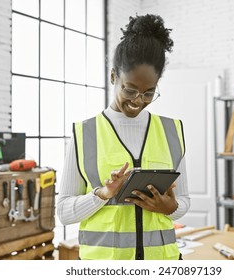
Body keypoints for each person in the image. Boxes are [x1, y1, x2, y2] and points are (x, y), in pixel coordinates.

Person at [57, 14, 190, 260]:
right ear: (113, 77)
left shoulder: (172, 131)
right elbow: (64, 212)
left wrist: (170, 208)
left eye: (149, 93)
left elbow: (182, 201)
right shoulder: (84, 133)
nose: (138, 101)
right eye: (129, 89)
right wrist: (102, 195)